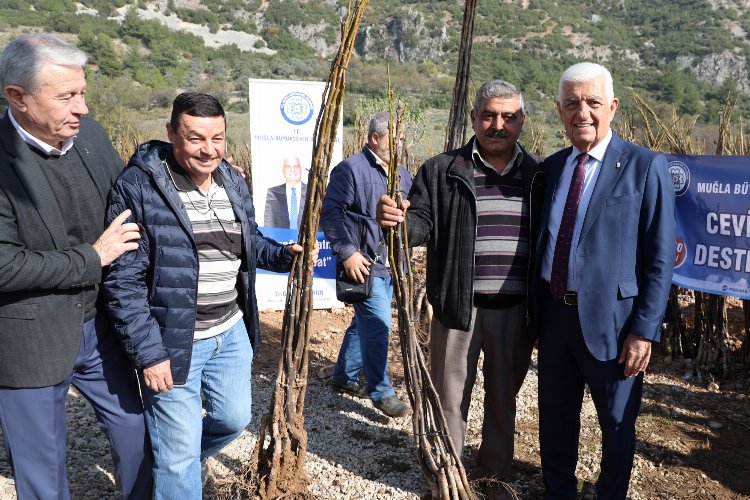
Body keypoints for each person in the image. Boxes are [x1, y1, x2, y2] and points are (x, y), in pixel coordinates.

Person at [102, 92, 314, 499]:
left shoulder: (232, 179)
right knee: (179, 458)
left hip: (230, 331)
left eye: (217, 138)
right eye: (196, 138)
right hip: (173, 340)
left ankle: (170, 458)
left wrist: (284, 256)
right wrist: (149, 353)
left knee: (234, 420)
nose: (209, 149)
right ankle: (174, 467)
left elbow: (247, 241)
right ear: (171, 133)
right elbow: (123, 281)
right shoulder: (139, 187)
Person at [0, 33, 152, 499]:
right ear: (18, 97)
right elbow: (4, 265)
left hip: (100, 323)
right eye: (67, 96)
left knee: (138, 436)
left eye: (82, 92)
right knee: (43, 472)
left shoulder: (90, 135)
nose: (82, 108)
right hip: (30, 336)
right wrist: (94, 257)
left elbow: (131, 191)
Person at [377, 80, 543, 494]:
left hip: (515, 311)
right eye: (489, 115)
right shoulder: (441, 170)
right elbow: (419, 226)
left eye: (508, 117)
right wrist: (398, 221)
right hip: (456, 308)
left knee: (504, 401)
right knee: (449, 400)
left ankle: (493, 476)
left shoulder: (539, 176)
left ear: (521, 121)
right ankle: (446, 479)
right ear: (474, 119)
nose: (498, 125)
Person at [534, 62, 675, 499]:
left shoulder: (644, 167)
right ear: (559, 110)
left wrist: (644, 331)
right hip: (555, 318)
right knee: (555, 422)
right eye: (572, 103)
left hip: (616, 326)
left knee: (617, 426)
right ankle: (559, 493)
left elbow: (659, 257)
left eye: (593, 102)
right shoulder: (552, 168)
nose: (583, 113)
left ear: (612, 107)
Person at [320, 111, 412, 418]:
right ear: (375, 138)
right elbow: (330, 213)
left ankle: (344, 376)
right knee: (379, 325)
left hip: (391, 266)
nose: (400, 143)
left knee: (364, 323)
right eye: (394, 138)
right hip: (364, 264)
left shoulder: (402, 174)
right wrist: (347, 252)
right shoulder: (350, 170)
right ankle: (381, 391)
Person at [264, 154, 307, 229]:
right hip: (280, 240)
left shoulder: (313, 193)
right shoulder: (273, 193)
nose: (292, 170)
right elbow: (269, 225)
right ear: (283, 170)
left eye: (296, 166)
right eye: (288, 167)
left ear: (301, 169)